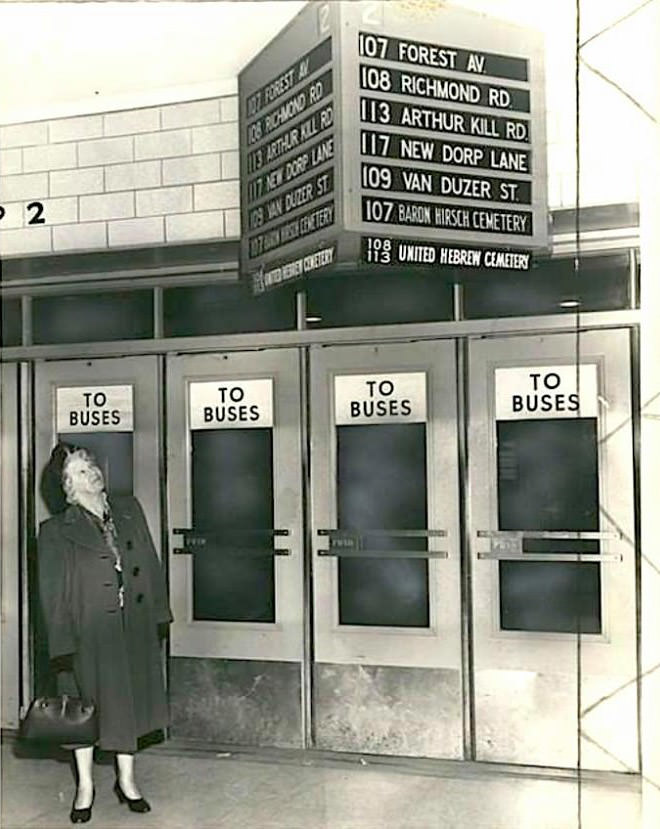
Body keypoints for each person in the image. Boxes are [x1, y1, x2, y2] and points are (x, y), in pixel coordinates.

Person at [37, 443, 172, 824]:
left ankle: (127, 781)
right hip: (86, 631)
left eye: (91, 465)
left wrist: (160, 613)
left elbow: (150, 560)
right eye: (80, 471)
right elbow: (52, 592)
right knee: (84, 709)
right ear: (66, 487)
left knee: (128, 703)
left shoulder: (129, 510)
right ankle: (85, 786)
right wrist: (61, 643)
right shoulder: (54, 531)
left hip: (133, 626)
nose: (91, 473)